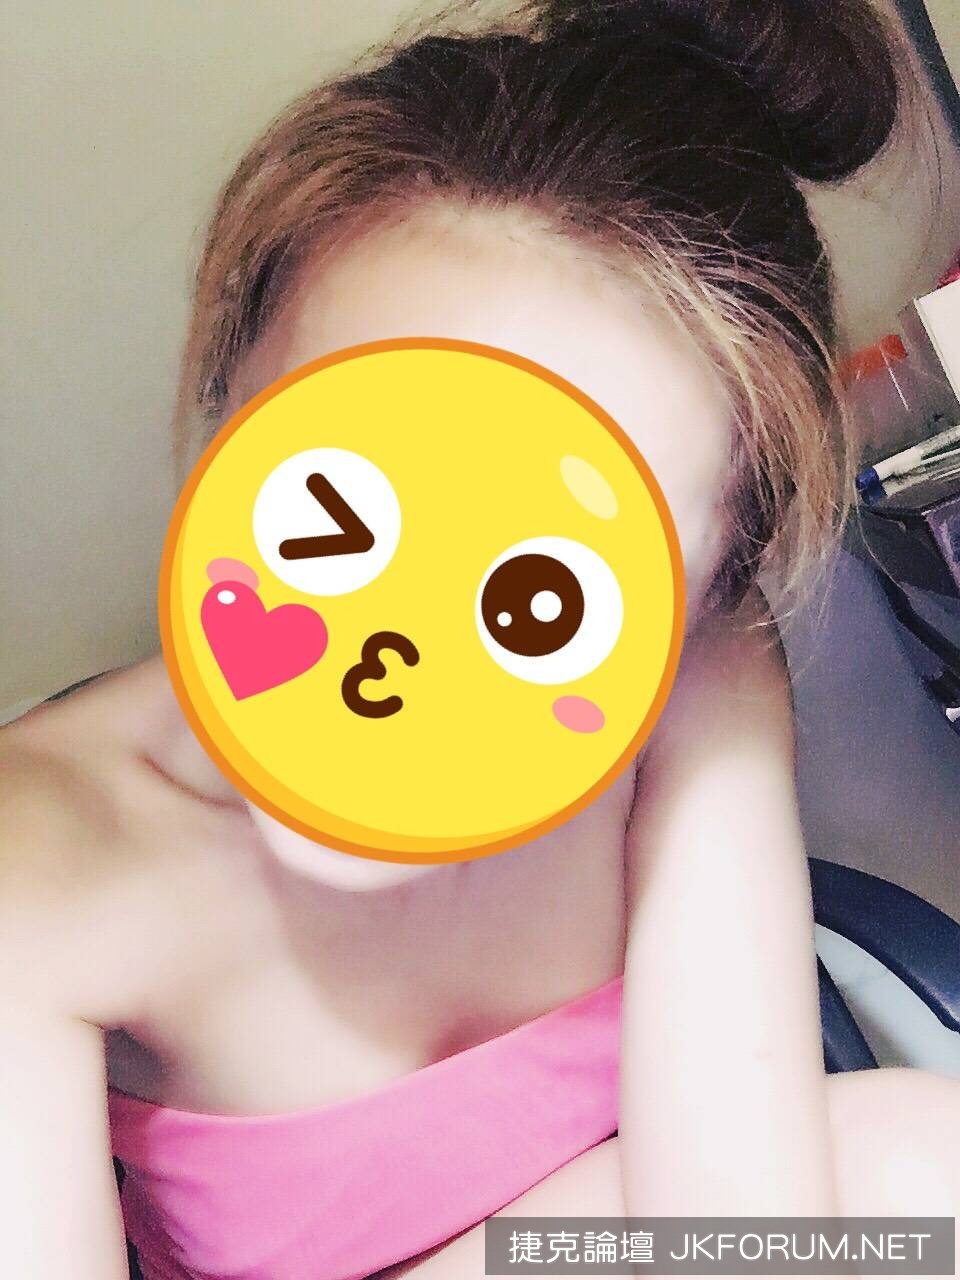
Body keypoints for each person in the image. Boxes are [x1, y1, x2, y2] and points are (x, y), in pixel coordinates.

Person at [2, 2, 957, 1277]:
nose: (403, 649)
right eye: (354, 485)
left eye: (546, 591)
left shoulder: (702, 670)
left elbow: (733, 1219)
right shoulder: (39, 855)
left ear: (703, 592)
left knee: (919, 1161)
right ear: (232, 396)